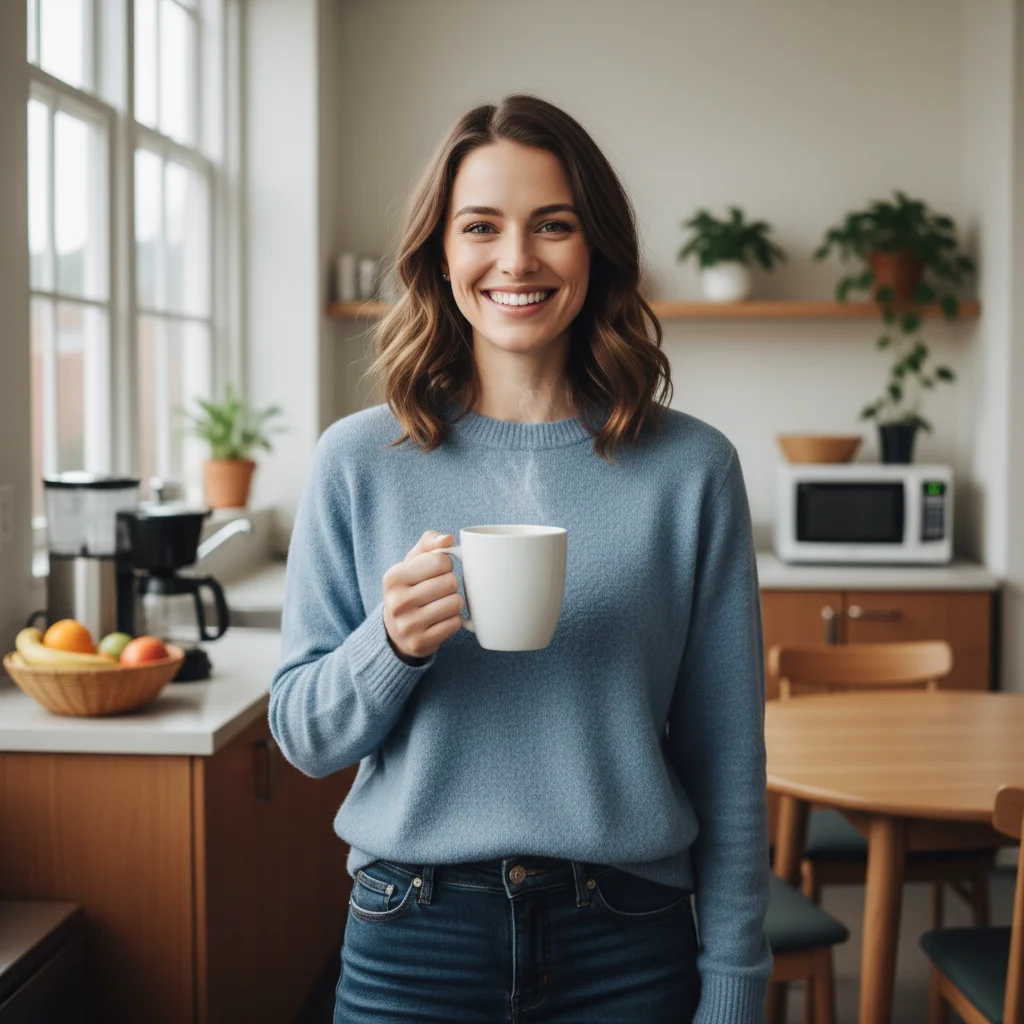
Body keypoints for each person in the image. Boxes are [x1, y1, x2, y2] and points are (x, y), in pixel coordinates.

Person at [270, 94, 771, 1024]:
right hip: (410, 937)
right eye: (481, 227)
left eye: (553, 225)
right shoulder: (357, 461)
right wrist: (392, 646)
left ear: (597, 251)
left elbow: (728, 758)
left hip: (629, 936)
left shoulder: (692, 469)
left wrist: (736, 984)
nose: (516, 259)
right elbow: (303, 736)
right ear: (440, 255)